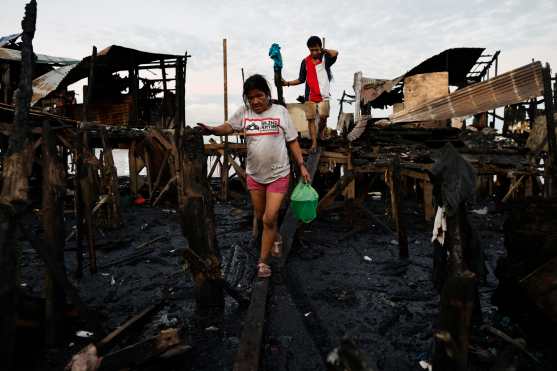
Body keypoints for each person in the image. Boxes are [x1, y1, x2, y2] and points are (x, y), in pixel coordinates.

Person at [198, 74, 310, 278]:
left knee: (269, 216)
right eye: (251, 97)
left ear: (267, 94)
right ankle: (275, 237)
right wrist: (212, 129)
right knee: (262, 217)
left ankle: (263, 262)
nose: (255, 101)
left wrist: (301, 165)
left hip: (279, 173)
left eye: (259, 96)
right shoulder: (244, 112)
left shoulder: (280, 112)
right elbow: (229, 126)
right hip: (255, 175)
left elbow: (292, 141)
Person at [282, 36, 339, 152]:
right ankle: (314, 142)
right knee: (311, 119)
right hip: (310, 96)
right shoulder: (305, 62)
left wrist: (324, 51)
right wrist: (287, 83)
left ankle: (320, 132)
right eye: (312, 50)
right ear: (308, 49)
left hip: (324, 96)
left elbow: (336, 53)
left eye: (316, 50)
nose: (314, 52)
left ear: (320, 48)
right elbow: (301, 79)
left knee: (323, 117)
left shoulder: (325, 59)